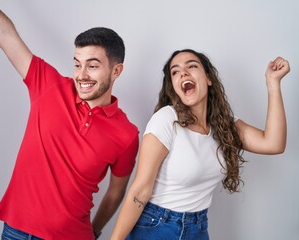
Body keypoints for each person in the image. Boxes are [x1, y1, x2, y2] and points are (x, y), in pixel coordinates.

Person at [0, 1, 139, 239]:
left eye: (92, 66)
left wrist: (95, 230)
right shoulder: (49, 85)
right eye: (77, 64)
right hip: (17, 232)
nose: (81, 75)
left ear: (116, 71)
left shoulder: (127, 134)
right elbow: (5, 35)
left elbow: (116, 192)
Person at [110, 49, 290, 240]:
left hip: (198, 228)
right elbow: (139, 191)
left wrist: (273, 83)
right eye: (175, 72)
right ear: (173, 86)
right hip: (157, 226)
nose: (183, 73)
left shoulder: (224, 126)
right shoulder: (166, 120)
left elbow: (274, 144)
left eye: (192, 66)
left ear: (208, 78)